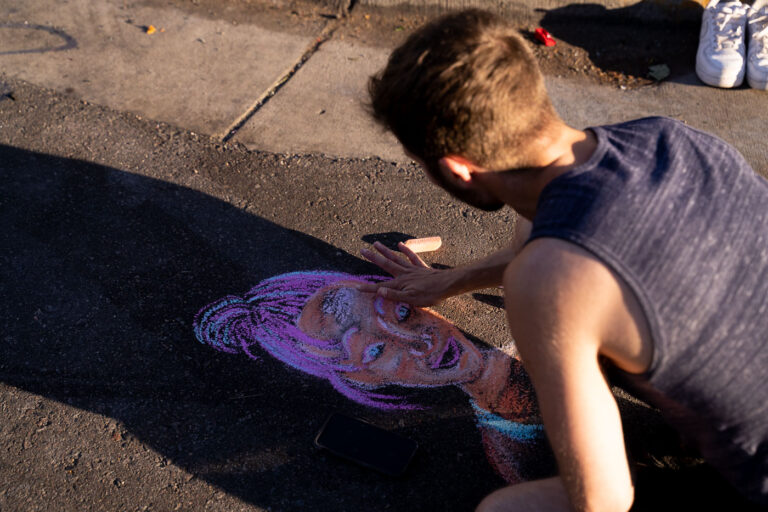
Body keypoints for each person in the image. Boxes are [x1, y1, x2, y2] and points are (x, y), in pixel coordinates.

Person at [361, 8, 768, 512]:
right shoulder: (665, 138)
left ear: (458, 169)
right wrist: (454, 280)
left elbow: (602, 501)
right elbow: (574, 242)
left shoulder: (548, 279)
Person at [193, 270, 555, 483]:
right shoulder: (511, 455)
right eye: (375, 351)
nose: (418, 340)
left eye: (402, 313)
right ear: (362, 380)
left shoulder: (556, 336)